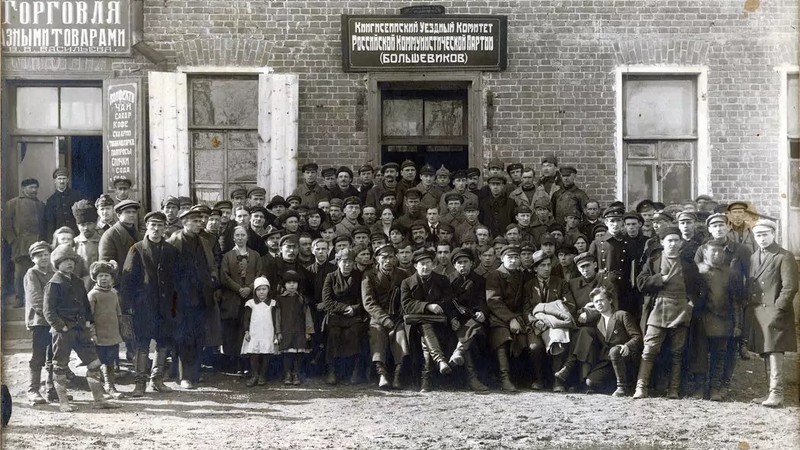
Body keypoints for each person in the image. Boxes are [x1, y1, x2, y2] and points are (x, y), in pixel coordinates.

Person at [43, 244, 120, 411]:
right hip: (63, 332)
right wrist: (61, 327)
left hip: (80, 330)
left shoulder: (78, 282)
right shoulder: (53, 284)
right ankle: (64, 402)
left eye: (72, 260)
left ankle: (99, 400)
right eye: (65, 261)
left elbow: (85, 305)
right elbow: (48, 311)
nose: (69, 263)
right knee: (60, 366)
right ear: (57, 264)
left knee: (94, 364)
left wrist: (88, 322)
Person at [633, 226, 705, 399]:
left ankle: (673, 389)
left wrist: (692, 303)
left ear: (680, 243)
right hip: (658, 308)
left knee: (677, 353)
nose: (673, 244)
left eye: (676, 240)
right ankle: (641, 387)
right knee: (649, 349)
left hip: (681, 310)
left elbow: (700, 287)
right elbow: (640, 283)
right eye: (669, 240)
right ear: (662, 242)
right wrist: (660, 279)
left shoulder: (688, 264)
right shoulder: (653, 261)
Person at [120, 211, 178, 396]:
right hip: (143, 307)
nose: (156, 229)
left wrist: (175, 305)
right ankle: (140, 383)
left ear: (165, 228)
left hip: (165, 306)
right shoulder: (136, 249)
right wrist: (128, 305)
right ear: (147, 227)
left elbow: (177, 280)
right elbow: (127, 280)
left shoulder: (171, 250)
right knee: (142, 344)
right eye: (153, 225)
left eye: (160, 225)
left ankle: (157, 380)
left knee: (163, 342)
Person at [746, 219, 798, 407]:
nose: (762, 239)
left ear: (773, 234)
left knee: (775, 350)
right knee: (765, 351)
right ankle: (769, 392)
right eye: (758, 235)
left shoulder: (784, 256)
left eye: (765, 234)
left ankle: (777, 394)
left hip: (776, 312)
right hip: (759, 312)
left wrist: (778, 308)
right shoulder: (754, 257)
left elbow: (790, 287)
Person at [167, 208, 217, 389]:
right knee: (183, 337)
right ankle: (184, 376)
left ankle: (195, 373)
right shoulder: (173, 242)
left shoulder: (204, 242)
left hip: (202, 297)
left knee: (198, 336)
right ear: (184, 222)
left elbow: (212, 265)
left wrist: (212, 279)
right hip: (181, 299)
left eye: (200, 220)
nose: (200, 223)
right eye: (195, 221)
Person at [563, 286, 643, 396]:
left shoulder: (621, 315)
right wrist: (585, 310)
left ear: (610, 300)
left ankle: (622, 387)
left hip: (625, 358)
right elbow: (578, 322)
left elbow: (637, 337)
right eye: (596, 302)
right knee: (591, 382)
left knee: (614, 351)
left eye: (601, 300)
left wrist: (627, 346)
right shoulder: (597, 321)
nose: (599, 304)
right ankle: (614, 385)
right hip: (607, 361)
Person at [400, 249, 454, 392]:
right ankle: (438, 363)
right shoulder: (407, 282)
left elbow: (448, 300)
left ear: (433, 264)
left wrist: (437, 306)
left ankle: (427, 380)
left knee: (426, 335)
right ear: (415, 266)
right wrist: (428, 306)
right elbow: (406, 304)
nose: (425, 267)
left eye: (428, 263)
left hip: (438, 322)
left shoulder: (442, 280)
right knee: (425, 328)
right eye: (422, 264)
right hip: (415, 323)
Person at [696, 238, 741, 401]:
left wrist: (738, 324)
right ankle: (699, 388)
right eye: (713, 251)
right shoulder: (698, 270)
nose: (716, 254)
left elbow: (735, 301)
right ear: (705, 252)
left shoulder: (730, 273)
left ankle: (715, 388)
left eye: (719, 251)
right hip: (701, 321)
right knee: (700, 356)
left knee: (719, 356)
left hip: (722, 322)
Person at [362, 244, 410, 389]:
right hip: (378, 317)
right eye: (384, 257)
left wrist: (400, 315)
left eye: (390, 257)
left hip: (397, 316)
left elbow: (407, 298)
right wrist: (384, 319)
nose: (387, 261)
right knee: (377, 336)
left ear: (395, 258)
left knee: (401, 336)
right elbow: (369, 302)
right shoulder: (369, 275)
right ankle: (381, 374)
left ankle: (397, 376)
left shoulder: (403, 274)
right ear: (377, 259)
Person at [523, 250, 570, 392]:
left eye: (549, 265)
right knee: (535, 347)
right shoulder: (529, 286)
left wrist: (554, 318)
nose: (547, 268)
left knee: (558, 341)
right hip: (536, 325)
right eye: (542, 265)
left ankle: (557, 381)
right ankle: (539, 379)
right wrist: (534, 322)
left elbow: (568, 304)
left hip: (555, 323)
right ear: (535, 268)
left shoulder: (561, 283)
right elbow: (525, 309)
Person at [485, 245, 531, 391]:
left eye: (516, 257)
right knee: (503, 338)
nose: (513, 261)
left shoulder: (521, 275)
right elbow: (493, 301)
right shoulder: (495, 275)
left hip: (517, 316)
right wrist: (511, 319)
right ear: (502, 258)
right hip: (498, 317)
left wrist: (519, 318)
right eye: (509, 257)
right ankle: (504, 378)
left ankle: (521, 378)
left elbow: (524, 300)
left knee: (524, 340)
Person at [219, 225, 263, 374]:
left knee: (249, 328)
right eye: (237, 235)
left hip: (250, 297)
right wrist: (239, 289)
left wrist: (249, 288)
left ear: (247, 237)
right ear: (233, 238)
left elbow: (259, 273)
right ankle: (233, 363)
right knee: (232, 330)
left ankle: (247, 364)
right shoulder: (227, 256)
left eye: (243, 235)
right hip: (233, 298)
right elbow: (224, 276)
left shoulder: (255, 255)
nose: (240, 238)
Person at [447, 247, 490, 392]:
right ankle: (472, 379)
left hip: (474, 317)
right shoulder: (448, 280)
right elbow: (446, 303)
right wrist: (452, 318)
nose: (463, 265)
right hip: (456, 320)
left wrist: (482, 312)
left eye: (466, 262)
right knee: (467, 335)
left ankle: (459, 353)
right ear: (454, 265)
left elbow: (483, 300)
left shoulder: (479, 280)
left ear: (472, 263)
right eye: (459, 262)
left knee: (474, 327)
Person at [323, 248, 367, 385]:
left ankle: (354, 371)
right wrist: (344, 308)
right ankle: (332, 370)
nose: (347, 265)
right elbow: (327, 300)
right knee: (334, 333)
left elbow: (364, 298)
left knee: (355, 332)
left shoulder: (359, 277)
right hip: (336, 314)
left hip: (354, 315)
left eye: (350, 262)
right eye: (344, 261)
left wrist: (354, 309)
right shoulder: (331, 277)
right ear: (338, 262)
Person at [3, 177, 46, 308]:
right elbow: (6, 225)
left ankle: (34, 300)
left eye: (35, 187)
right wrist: (13, 241)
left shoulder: (41, 205)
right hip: (20, 245)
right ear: (23, 189)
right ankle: (19, 297)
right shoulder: (13, 204)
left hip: (37, 245)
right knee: (20, 274)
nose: (34, 190)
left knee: (37, 272)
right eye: (31, 187)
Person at [87, 260, 125, 400]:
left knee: (110, 362)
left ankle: (110, 386)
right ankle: (98, 389)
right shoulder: (93, 295)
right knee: (96, 363)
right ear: (95, 278)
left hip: (112, 335)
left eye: (107, 276)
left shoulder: (114, 293)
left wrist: (121, 332)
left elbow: (118, 313)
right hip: (99, 336)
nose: (104, 278)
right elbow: (89, 317)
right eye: (100, 276)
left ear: (112, 278)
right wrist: (92, 333)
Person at [23, 241, 55, 405]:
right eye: (39, 255)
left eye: (46, 254)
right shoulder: (32, 273)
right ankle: (33, 389)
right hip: (40, 320)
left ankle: (50, 388)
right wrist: (51, 316)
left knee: (53, 355)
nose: (43, 258)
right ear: (33, 258)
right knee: (38, 355)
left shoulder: (53, 273)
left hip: (54, 321)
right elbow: (36, 299)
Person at [276, 270, 314, 385]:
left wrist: (308, 331)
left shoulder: (302, 299)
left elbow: (307, 315)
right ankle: (287, 374)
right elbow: (277, 316)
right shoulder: (280, 299)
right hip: (286, 330)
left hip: (299, 330)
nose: (292, 285)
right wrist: (278, 332)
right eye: (289, 283)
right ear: (284, 285)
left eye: (294, 282)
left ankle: (296, 373)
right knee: (287, 354)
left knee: (298, 353)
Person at [240, 277, 278, 387]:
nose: (261, 292)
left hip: (267, 333)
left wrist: (276, 333)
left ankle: (262, 375)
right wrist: (246, 331)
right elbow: (246, 319)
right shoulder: (251, 303)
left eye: (264, 289)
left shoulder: (273, 304)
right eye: (258, 289)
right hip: (254, 333)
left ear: (268, 290)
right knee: (254, 355)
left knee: (266, 354)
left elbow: (276, 320)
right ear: (255, 291)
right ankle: (254, 375)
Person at [44, 168, 83, 237]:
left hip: (76, 234)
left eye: (64, 179)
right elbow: (50, 223)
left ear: (67, 180)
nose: (62, 181)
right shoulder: (51, 200)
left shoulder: (76, 196)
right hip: (59, 236)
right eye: (59, 179)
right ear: (55, 181)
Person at [72, 200, 101, 270]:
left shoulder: (103, 241)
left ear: (95, 223)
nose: (86, 228)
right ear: (77, 226)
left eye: (89, 224)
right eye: (82, 225)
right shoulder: (73, 244)